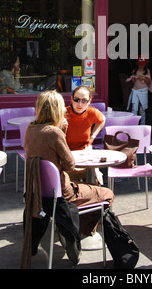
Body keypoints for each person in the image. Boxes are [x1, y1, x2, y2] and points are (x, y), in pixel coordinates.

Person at [23, 90, 114, 238]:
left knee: (93, 175)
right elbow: (70, 165)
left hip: (40, 190)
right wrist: (62, 131)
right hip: (62, 192)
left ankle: (75, 225)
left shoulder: (29, 129)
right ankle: (81, 231)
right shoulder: (54, 132)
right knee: (107, 194)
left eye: (84, 100)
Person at [65, 85, 105, 151]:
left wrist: (93, 136)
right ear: (72, 99)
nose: (80, 104)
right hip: (66, 152)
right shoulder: (63, 113)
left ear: (89, 101)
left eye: (84, 100)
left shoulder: (91, 112)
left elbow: (102, 119)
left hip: (84, 151)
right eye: (76, 99)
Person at [126, 55, 152, 124]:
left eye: (143, 64)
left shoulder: (147, 71)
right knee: (134, 109)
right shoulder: (135, 71)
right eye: (140, 64)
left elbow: (149, 82)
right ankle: (133, 125)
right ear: (137, 64)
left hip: (143, 91)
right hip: (135, 90)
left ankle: (142, 125)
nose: (141, 66)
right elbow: (134, 82)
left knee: (142, 110)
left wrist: (144, 78)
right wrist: (132, 79)